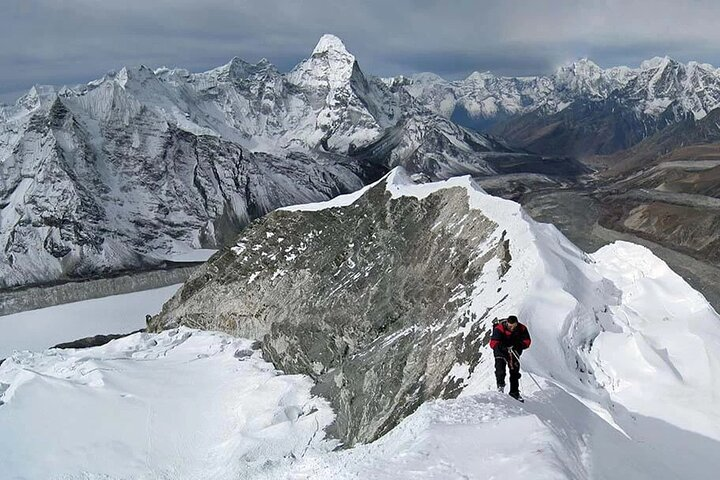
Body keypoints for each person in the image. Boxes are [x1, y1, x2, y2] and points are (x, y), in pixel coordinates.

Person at [490, 315, 531, 401]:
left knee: (514, 371)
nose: (512, 328)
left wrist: (518, 346)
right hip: (500, 351)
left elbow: (527, 341)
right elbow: (493, 343)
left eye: (514, 326)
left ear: (517, 323)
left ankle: (514, 392)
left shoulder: (522, 328)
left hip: (513, 351)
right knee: (500, 369)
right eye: (510, 326)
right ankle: (500, 387)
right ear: (507, 323)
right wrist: (503, 347)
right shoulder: (499, 328)